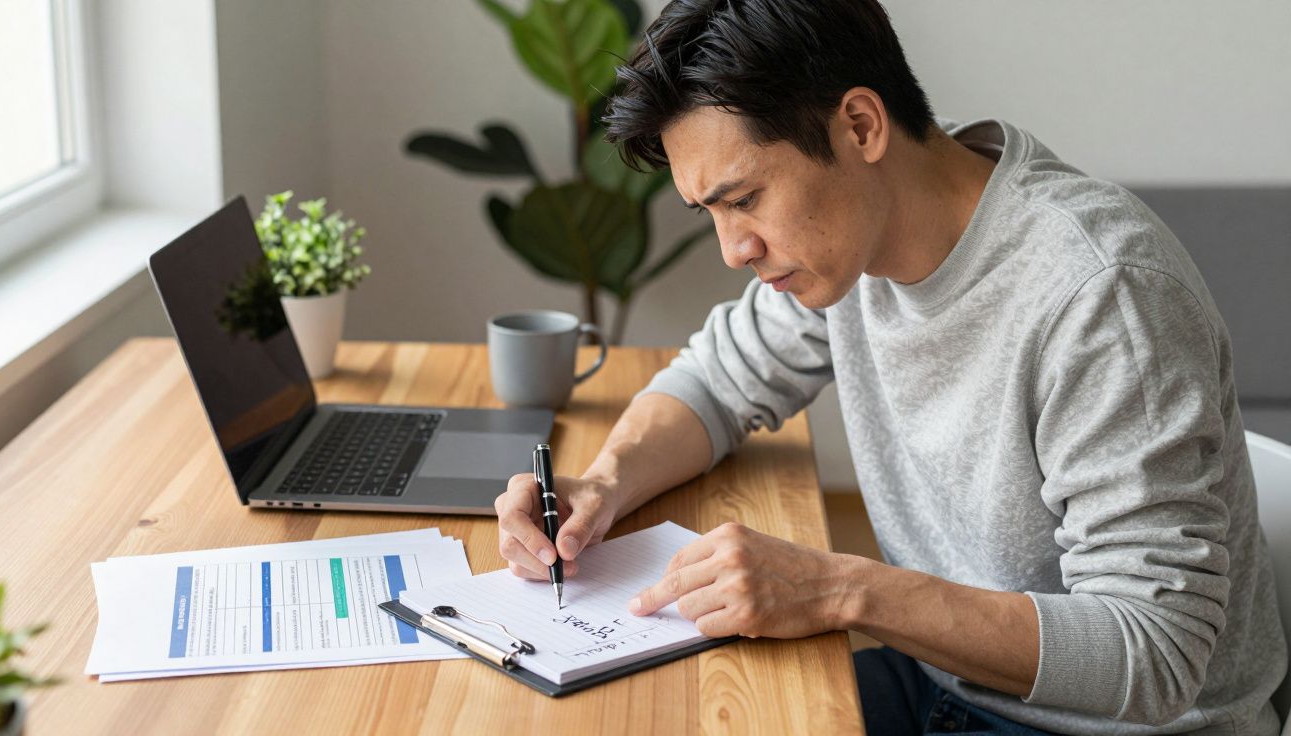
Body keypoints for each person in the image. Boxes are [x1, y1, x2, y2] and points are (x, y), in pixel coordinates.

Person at [493, 1, 1287, 733]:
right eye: (711, 213)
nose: (735, 249)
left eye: (745, 200)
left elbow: (1155, 654)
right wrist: (603, 484)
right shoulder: (848, 246)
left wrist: (841, 589)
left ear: (861, 127)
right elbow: (716, 380)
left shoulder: (1101, 296)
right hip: (950, 688)